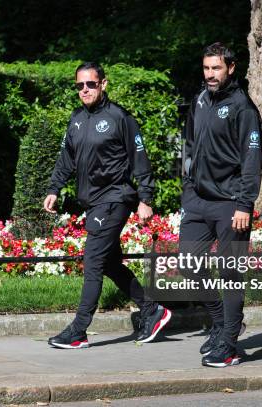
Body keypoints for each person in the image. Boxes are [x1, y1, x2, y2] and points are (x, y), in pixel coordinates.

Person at [43, 61, 171, 349]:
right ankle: (152, 310)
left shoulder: (120, 118)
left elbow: (140, 158)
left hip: (115, 199)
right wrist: (54, 188)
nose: (85, 90)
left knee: (93, 262)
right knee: (111, 263)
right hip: (93, 202)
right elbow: (67, 158)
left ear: (103, 83)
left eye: (90, 84)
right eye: (80, 86)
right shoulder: (76, 119)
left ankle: (78, 330)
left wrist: (146, 198)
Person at [180, 43, 262, 367]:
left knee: (230, 273)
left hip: (231, 204)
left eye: (216, 68)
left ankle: (229, 344)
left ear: (231, 68)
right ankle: (222, 323)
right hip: (197, 201)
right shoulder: (201, 99)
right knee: (190, 263)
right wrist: (187, 188)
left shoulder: (242, 107)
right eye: (206, 68)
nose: (210, 75)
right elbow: (189, 146)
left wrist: (245, 203)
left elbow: (253, 157)